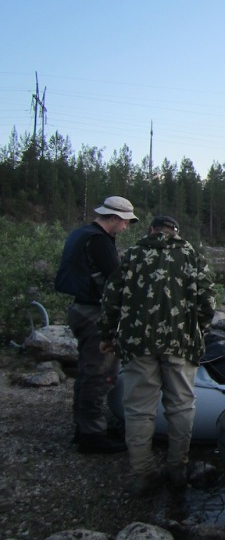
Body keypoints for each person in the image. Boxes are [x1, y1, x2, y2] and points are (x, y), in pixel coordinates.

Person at [98, 215, 216, 495]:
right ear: (176, 231)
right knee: (182, 405)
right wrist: (197, 328)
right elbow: (208, 302)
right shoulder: (191, 255)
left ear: (151, 230)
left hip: (138, 343)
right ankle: (178, 469)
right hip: (181, 343)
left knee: (139, 409)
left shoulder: (132, 255)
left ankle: (144, 474)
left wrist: (106, 334)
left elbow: (111, 297)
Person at [55, 195, 138, 454]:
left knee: (87, 370)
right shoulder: (100, 241)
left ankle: (86, 426)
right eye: (124, 222)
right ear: (113, 218)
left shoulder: (81, 234)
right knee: (100, 374)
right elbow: (117, 279)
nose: (125, 227)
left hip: (79, 309)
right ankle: (92, 436)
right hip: (94, 314)